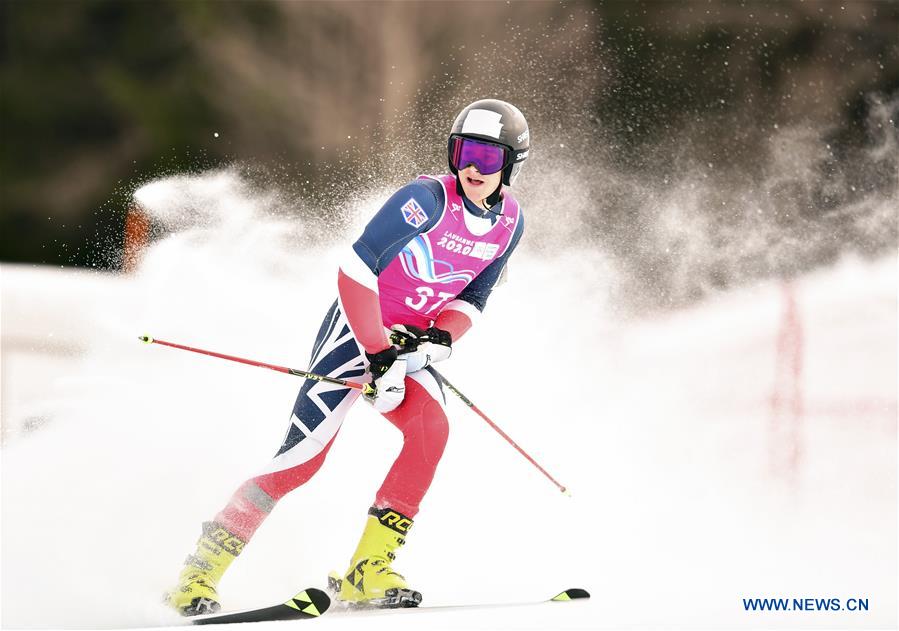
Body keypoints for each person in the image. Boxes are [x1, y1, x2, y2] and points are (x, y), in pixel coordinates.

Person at [166, 98, 529, 614]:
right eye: (465, 153)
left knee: (432, 432)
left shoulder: (510, 224)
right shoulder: (424, 200)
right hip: (356, 336)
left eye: (489, 159)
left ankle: (368, 569)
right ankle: (198, 572)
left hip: (405, 349)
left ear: (510, 165)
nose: (473, 168)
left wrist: (442, 339)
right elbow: (355, 272)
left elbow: (475, 299)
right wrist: (377, 349)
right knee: (300, 461)